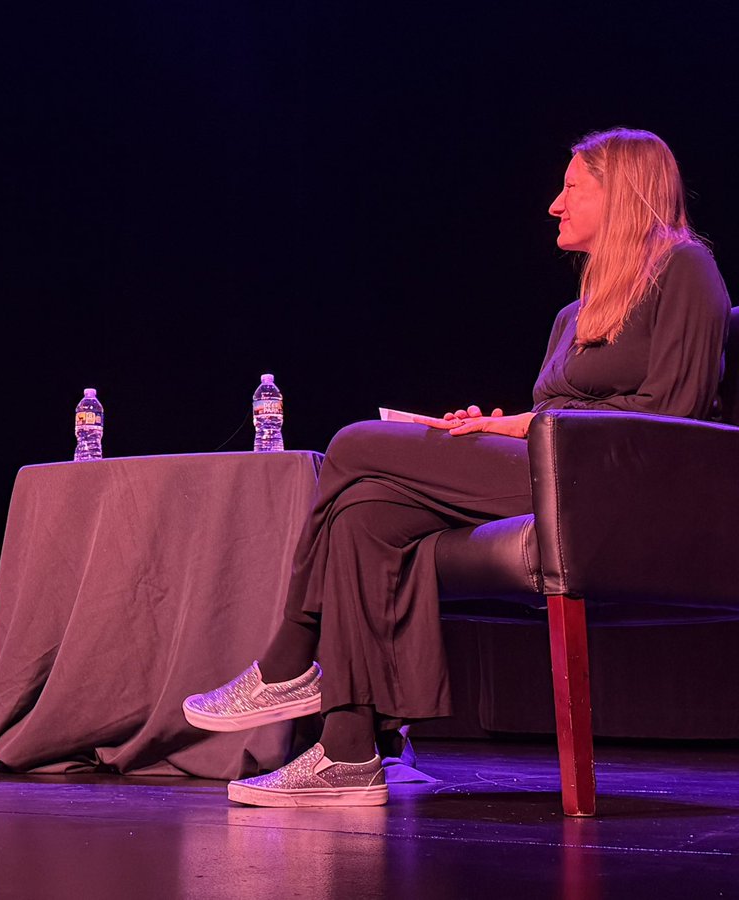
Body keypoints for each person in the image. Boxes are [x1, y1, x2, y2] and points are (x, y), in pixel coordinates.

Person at [182, 128, 732, 808]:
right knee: (364, 514)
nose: (554, 205)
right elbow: (551, 412)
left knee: (355, 445)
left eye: (571, 188)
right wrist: (491, 427)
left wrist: (519, 431)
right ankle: (350, 752)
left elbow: (668, 414)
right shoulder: (573, 315)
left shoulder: (686, 270)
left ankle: (289, 661)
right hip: (551, 470)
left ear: (622, 194)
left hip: (614, 490)